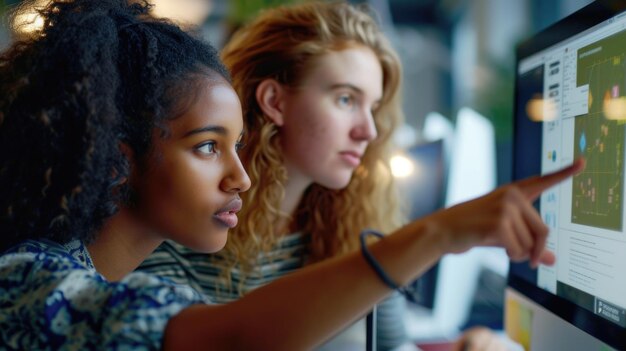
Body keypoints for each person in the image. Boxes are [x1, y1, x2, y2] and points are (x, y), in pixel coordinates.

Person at [0, 0, 583, 350]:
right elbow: (226, 340)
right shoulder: (23, 279)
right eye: (208, 147)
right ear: (116, 161)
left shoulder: (344, 228)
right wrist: (437, 234)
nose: (242, 177)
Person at [136, 2, 504, 349]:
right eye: (346, 99)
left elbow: (392, 344)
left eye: (373, 107)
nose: (369, 131)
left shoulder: (355, 224)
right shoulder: (181, 237)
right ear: (275, 102)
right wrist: (436, 235)